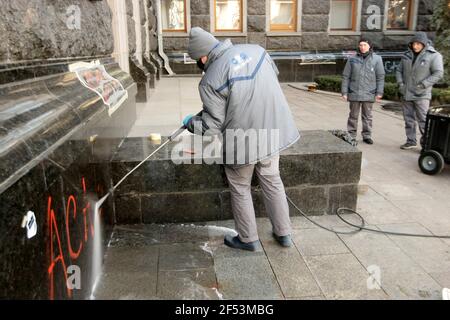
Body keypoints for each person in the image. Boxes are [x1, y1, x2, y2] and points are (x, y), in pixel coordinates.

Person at [183, 27, 300, 251]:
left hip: (243, 140)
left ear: (203, 56)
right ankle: (284, 234)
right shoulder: (257, 50)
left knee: (240, 186)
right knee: (272, 180)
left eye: (197, 60)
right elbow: (263, 83)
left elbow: (211, 127)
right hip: (272, 132)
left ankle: (248, 239)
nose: (200, 64)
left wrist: (191, 122)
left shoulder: (209, 79)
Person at [396, 32, 444, 150]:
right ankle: (411, 141)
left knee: (423, 120)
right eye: (413, 44)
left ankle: (426, 145)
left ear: (424, 44)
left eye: (418, 44)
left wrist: (423, 85)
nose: (415, 46)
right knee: (408, 119)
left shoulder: (433, 55)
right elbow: (398, 70)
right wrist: (401, 84)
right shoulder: (406, 55)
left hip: (421, 94)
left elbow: (438, 73)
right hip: (406, 93)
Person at [341, 38, 385, 145]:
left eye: (364, 45)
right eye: (360, 45)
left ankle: (367, 135)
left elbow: (380, 77)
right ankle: (351, 135)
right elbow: (346, 76)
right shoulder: (352, 59)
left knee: (367, 116)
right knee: (353, 116)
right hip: (354, 92)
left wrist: (379, 92)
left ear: (369, 46)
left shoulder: (377, 59)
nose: (362, 47)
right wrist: (344, 92)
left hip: (369, 93)